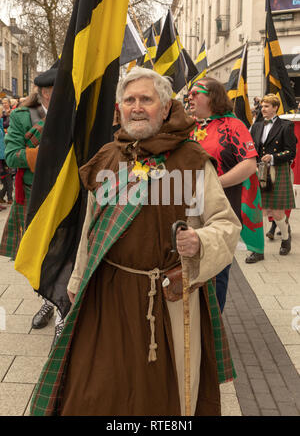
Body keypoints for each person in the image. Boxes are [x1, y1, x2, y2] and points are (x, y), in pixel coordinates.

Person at [30, 67, 241, 416]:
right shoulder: (110, 158)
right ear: (120, 108)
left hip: (167, 296)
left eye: (146, 99)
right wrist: (78, 276)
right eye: (129, 100)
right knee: (96, 386)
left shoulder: (190, 161)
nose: (137, 107)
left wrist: (201, 240)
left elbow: (225, 224)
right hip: (107, 291)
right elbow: (92, 227)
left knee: (164, 394)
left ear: (165, 106)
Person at [0, 64, 64, 348]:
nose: (56, 96)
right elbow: (12, 156)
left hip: (67, 195)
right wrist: (49, 153)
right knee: (40, 256)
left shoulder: (74, 115)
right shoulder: (23, 117)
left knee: (65, 253)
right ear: (43, 93)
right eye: (52, 91)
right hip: (35, 196)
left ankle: (62, 314)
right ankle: (47, 301)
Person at [188, 78, 257, 311]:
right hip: (189, 212)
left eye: (196, 92)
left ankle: (212, 331)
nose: (190, 96)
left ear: (213, 96)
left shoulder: (232, 125)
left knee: (216, 274)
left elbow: (249, 164)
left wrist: (213, 183)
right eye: (189, 93)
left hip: (220, 212)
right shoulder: (189, 126)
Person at [250, 93, 297, 257]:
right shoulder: (256, 126)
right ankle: (257, 250)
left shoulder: (286, 126)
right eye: (262, 106)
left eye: (266, 106)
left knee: (277, 213)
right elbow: (252, 149)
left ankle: (285, 237)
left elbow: (292, 152)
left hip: (277, 170)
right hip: (260, 171)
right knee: (259, 211)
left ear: (275, 108)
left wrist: (273, 157)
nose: (263, 109)